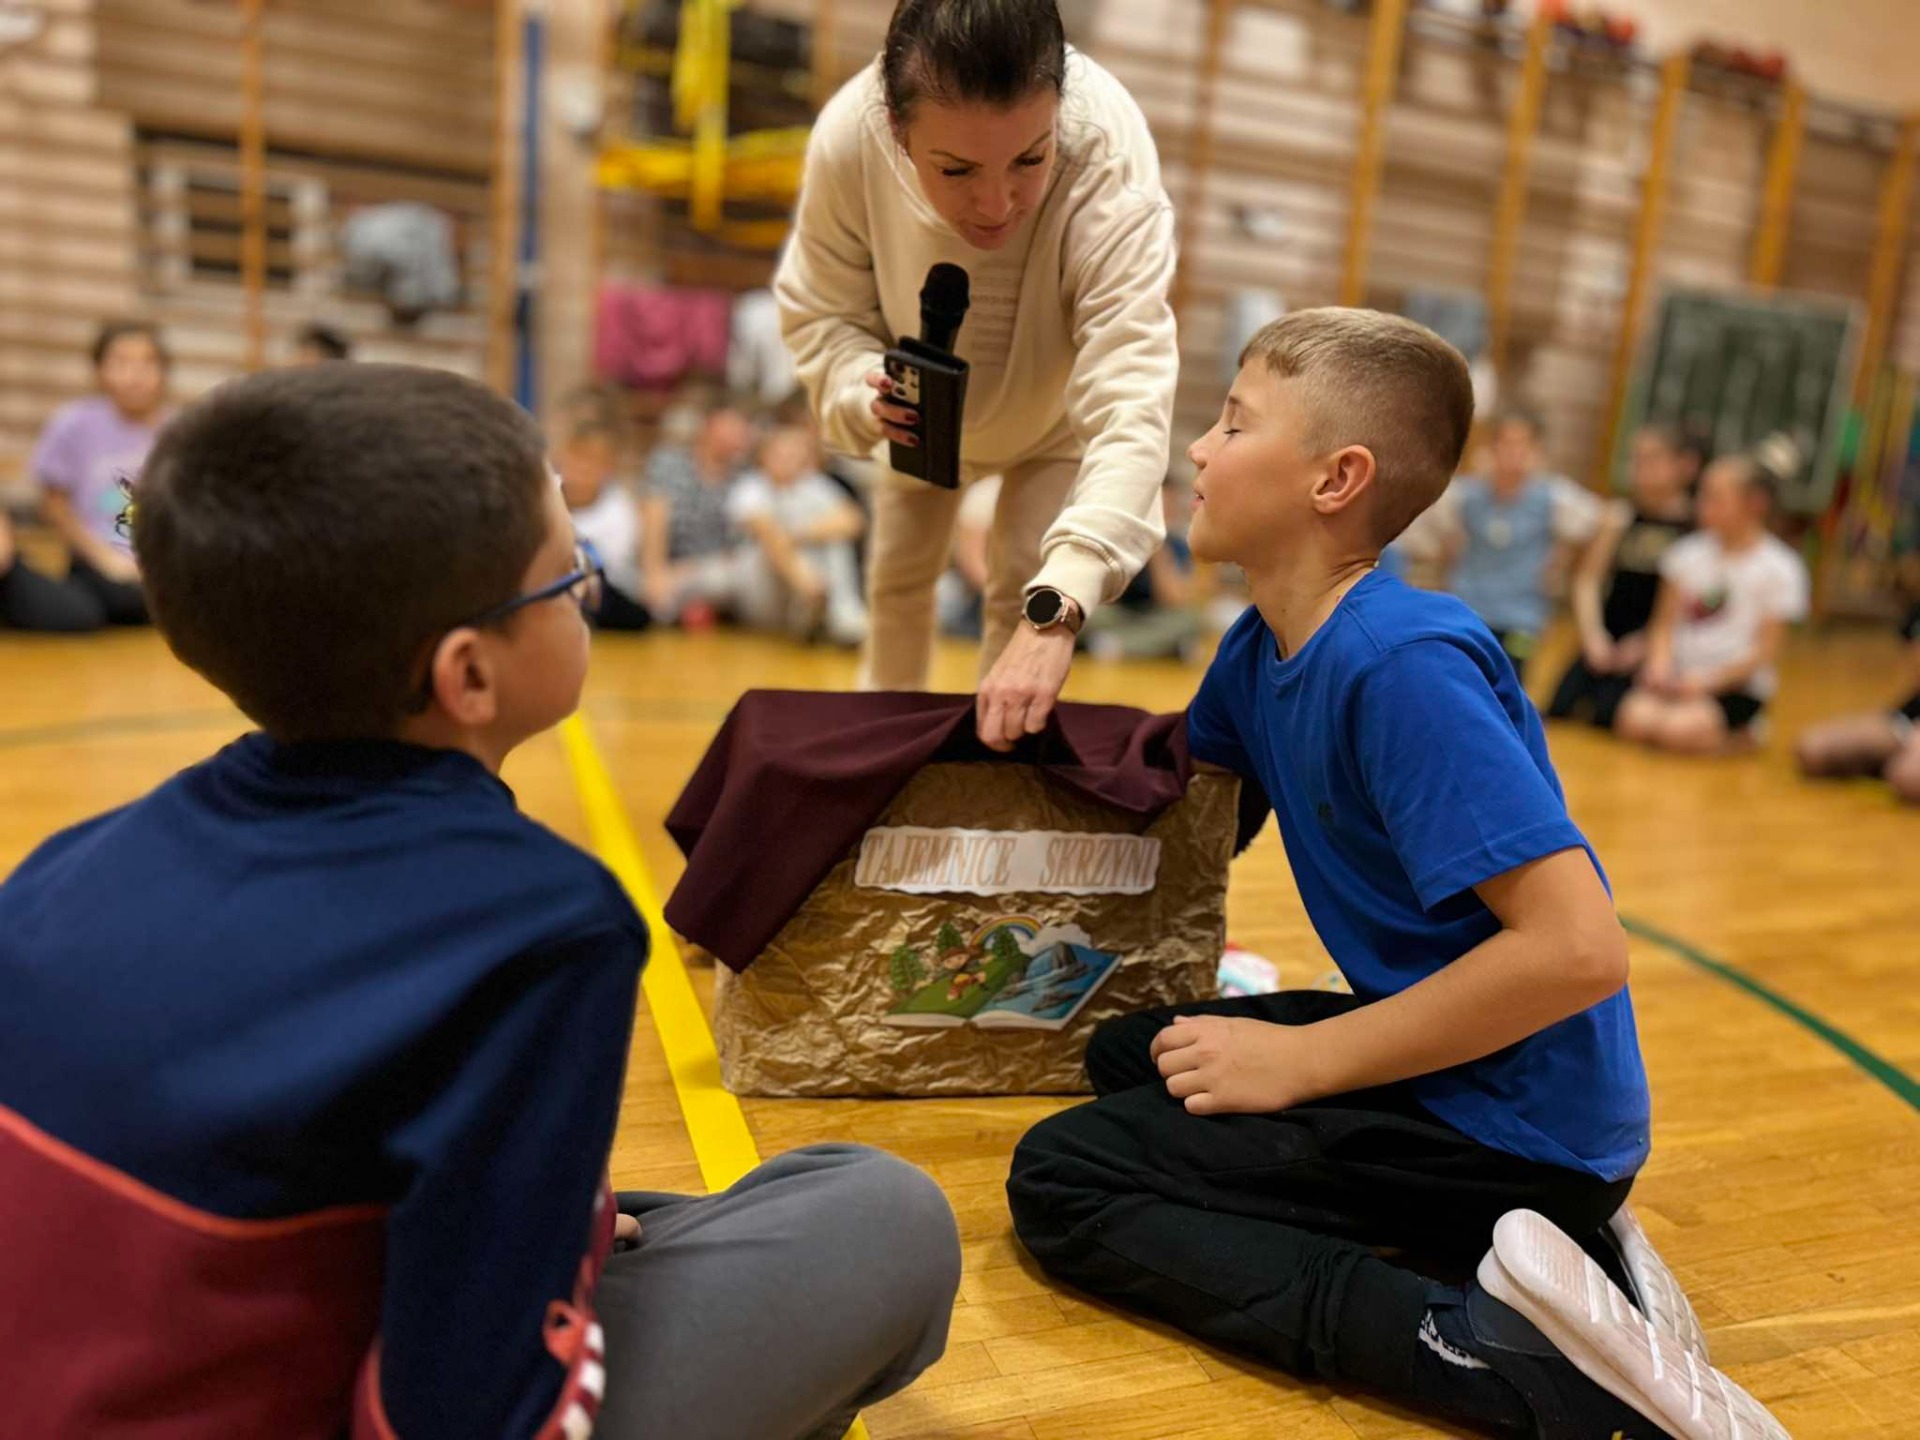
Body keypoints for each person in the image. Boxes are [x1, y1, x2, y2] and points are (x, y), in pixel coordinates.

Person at [0, 364, 960, 1440]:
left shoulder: (59, 867)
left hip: (130, 1354)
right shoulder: (542, 926)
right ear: (469, 676)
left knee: (655, 1212)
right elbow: (465, 1418)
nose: (589, 586)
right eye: (567, 574)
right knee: (884, 1218)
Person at [1006, 310, 1787, 1440]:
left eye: (1234, 424)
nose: (1200, 450)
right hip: (1458, 1076)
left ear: (1336, 479)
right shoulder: (1259, 645)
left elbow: (1578, 951)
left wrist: (1301, 1061)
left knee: (1065, 1178)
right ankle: (1561, 1265)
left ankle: (1487, 1350)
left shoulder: (1401, 664)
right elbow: (1190, 816)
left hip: (1522, 1128)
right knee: (1132, 1054)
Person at [776, 0, 1178, 748]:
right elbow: (820, 312)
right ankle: (879, 760)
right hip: (915, 413)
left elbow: (1133, 395)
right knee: (897, 586)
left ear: (1059, 107)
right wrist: (860, 388)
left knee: (1023, 585)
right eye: (956, 169)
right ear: (896, 128)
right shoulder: (848, 139)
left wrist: (1064, 596)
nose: (996, 206)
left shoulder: (1109, 157)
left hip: (1053, 422)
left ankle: (996, 775)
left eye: (1031, 158)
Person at [1615, 458, 1809, 755]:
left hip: (1734, 687)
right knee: (1633, 720)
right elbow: (1663, 625)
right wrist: (1659, 665)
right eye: (1703, 494)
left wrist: (1706, 682)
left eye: (1716, 497)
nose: (1703, 504)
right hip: (1680, 678)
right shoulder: (1686, 553)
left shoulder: (1781, 568)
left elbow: (1765, 652)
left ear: (1755, 503)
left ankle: (1745, 732)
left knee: (1680, 732)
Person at [1431, 408, 1606, 684]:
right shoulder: (1467, 494)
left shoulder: (1553, 497)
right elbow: (1439, 534)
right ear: (1491, 448)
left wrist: (1565, 564)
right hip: (1468, 608)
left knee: (1508, 684)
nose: (1513, 453)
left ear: (1537, 451)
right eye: (1506, 443)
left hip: (1522, 617)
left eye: (1523, 444)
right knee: (1456, 680)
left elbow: (1606, 520)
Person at [1546, 424, 1702, 729]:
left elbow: (1686, 604)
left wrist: (1645, 644)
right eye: (1636, 459)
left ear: (1684, 466)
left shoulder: (1695, 528)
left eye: (1653, 459)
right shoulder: (1619, 517)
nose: (1640, 469)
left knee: (1608, 717)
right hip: (1608, 635)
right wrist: (1594, 637)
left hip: (1654, 641)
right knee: (1559, 708)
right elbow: (1587, 581)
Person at [28, 319, 171, 626]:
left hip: (158, 563)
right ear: (100, 370)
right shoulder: (74, 423)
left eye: (147, 363)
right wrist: (104, 558)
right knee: (111, 602)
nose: (135, 375)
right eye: (122, 363)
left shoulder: (176, 430)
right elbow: (54, 505)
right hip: (96, 558)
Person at [729, 415, 870, 646]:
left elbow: (853, 521)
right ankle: (830, 613)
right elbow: (769, 534)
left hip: (811, 580)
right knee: (775, 545)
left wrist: (799, 534)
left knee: (834, 541)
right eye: (780, 453)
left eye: (794, 453)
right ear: (764, 456)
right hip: (764, 590)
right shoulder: (751, 488)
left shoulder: (814, 485)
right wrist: (807, 581)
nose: (787, 460)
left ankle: (840, 616)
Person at [638, 394, 754, 627]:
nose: (738, 433)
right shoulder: (668, 463)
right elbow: (654, 520)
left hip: (715, 571)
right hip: (667, 568)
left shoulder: (746, 478)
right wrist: (654, 573)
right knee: (643, 594)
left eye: (742, 428)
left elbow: (740, 546)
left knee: (733, 577)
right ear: (708, 425)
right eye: (731, 425)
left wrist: (686, 572)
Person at [1078, 477, 1199, 662]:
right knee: (1085, 616)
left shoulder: (1178, 546)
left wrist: (1158, 548)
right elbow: (1105, 597)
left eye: (1168, 507)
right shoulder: (1120, 540)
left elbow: (1174, 600)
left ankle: (1113, 645)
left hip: (1156, 616)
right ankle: (1160, 648)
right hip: (1118, 615)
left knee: (1188, 621)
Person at [555, 408, 652, 631]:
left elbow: (610, 570)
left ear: (608, 469)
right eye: (576, 459)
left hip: (607, 592)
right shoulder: (547, 499)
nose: (582, 469)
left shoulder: (619, 511)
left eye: (592, 463)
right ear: (561, 458)